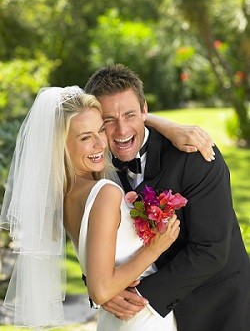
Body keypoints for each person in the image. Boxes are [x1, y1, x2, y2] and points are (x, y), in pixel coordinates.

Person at [0, 86, 209, 329]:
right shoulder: (105, 193)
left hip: (116, 319)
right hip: (141, 317)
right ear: (61, 145)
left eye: (100, 130)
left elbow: (98, 269)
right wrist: (153, 249)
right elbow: (100, 291)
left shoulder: (66, 195)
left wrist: (166, 126)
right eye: (85, 138)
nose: (100, 144)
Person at [84, 64, 250, 331]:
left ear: (145, 111)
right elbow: (94, 237)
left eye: (130, 115)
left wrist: (137, 296)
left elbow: (211, 250)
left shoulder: (196, 156)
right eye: (108, 120)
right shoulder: (95, 167)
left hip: (218, 308)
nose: (122, 130)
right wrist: (102, 287)